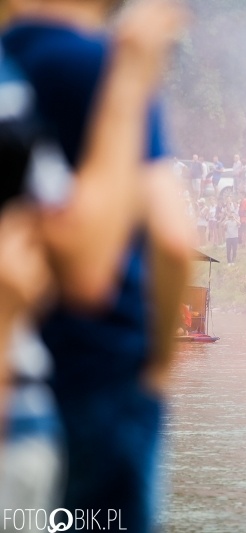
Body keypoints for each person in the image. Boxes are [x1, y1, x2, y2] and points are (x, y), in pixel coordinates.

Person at [2, 1, 190, 530]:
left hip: (34, 361)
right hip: (102, 365)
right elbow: (173, 238)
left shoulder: (13, 63)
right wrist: (156, 369)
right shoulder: (101, 64)